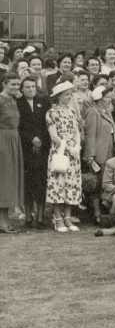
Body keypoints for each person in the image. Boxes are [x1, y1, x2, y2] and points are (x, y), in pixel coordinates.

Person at [46, 81, 83, 232]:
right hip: (60, 151)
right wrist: (67, 147)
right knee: (58, 184)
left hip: (73, 153)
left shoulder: (72, 111)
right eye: (66, 95)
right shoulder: (51, 112)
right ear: (59, 96)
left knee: (71, 184)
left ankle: (68, 217)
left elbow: (76, 131)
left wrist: (77, 147)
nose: (69, 97)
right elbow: (54, 136)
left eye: (70, 94)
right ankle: (57, 218)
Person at [17, 76, 50, 228]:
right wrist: (31, 139)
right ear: (22, 89)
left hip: (43, 147)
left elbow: (47, 124)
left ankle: (40, 217)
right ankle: (28, 216)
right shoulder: (18, 103)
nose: (31, 89)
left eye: (33, 87)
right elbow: (18, 126)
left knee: (41, 181)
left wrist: (40, 140)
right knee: (28, 182)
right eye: (27, 87)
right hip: (25, 148)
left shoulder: (43, 102)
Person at [84, 86, 115, 223]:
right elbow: (90, 135)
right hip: (99, 153)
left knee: (106, 182)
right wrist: (90, 156)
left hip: (110, 152)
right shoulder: (93, 112)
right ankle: (96, 213)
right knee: (97, 183)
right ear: (99, 98)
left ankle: (104, 212)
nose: (109, 99)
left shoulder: (106, 112)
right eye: (107, 97)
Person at [0, 75, 25, 232]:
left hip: (14, 140)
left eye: (18, 84)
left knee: (10, 180)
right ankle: (2, 222)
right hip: (2, 141)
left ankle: (5, 219)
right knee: (4, 180)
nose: (16, 87)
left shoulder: (13, 100)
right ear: (4, 84)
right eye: (13, 84)